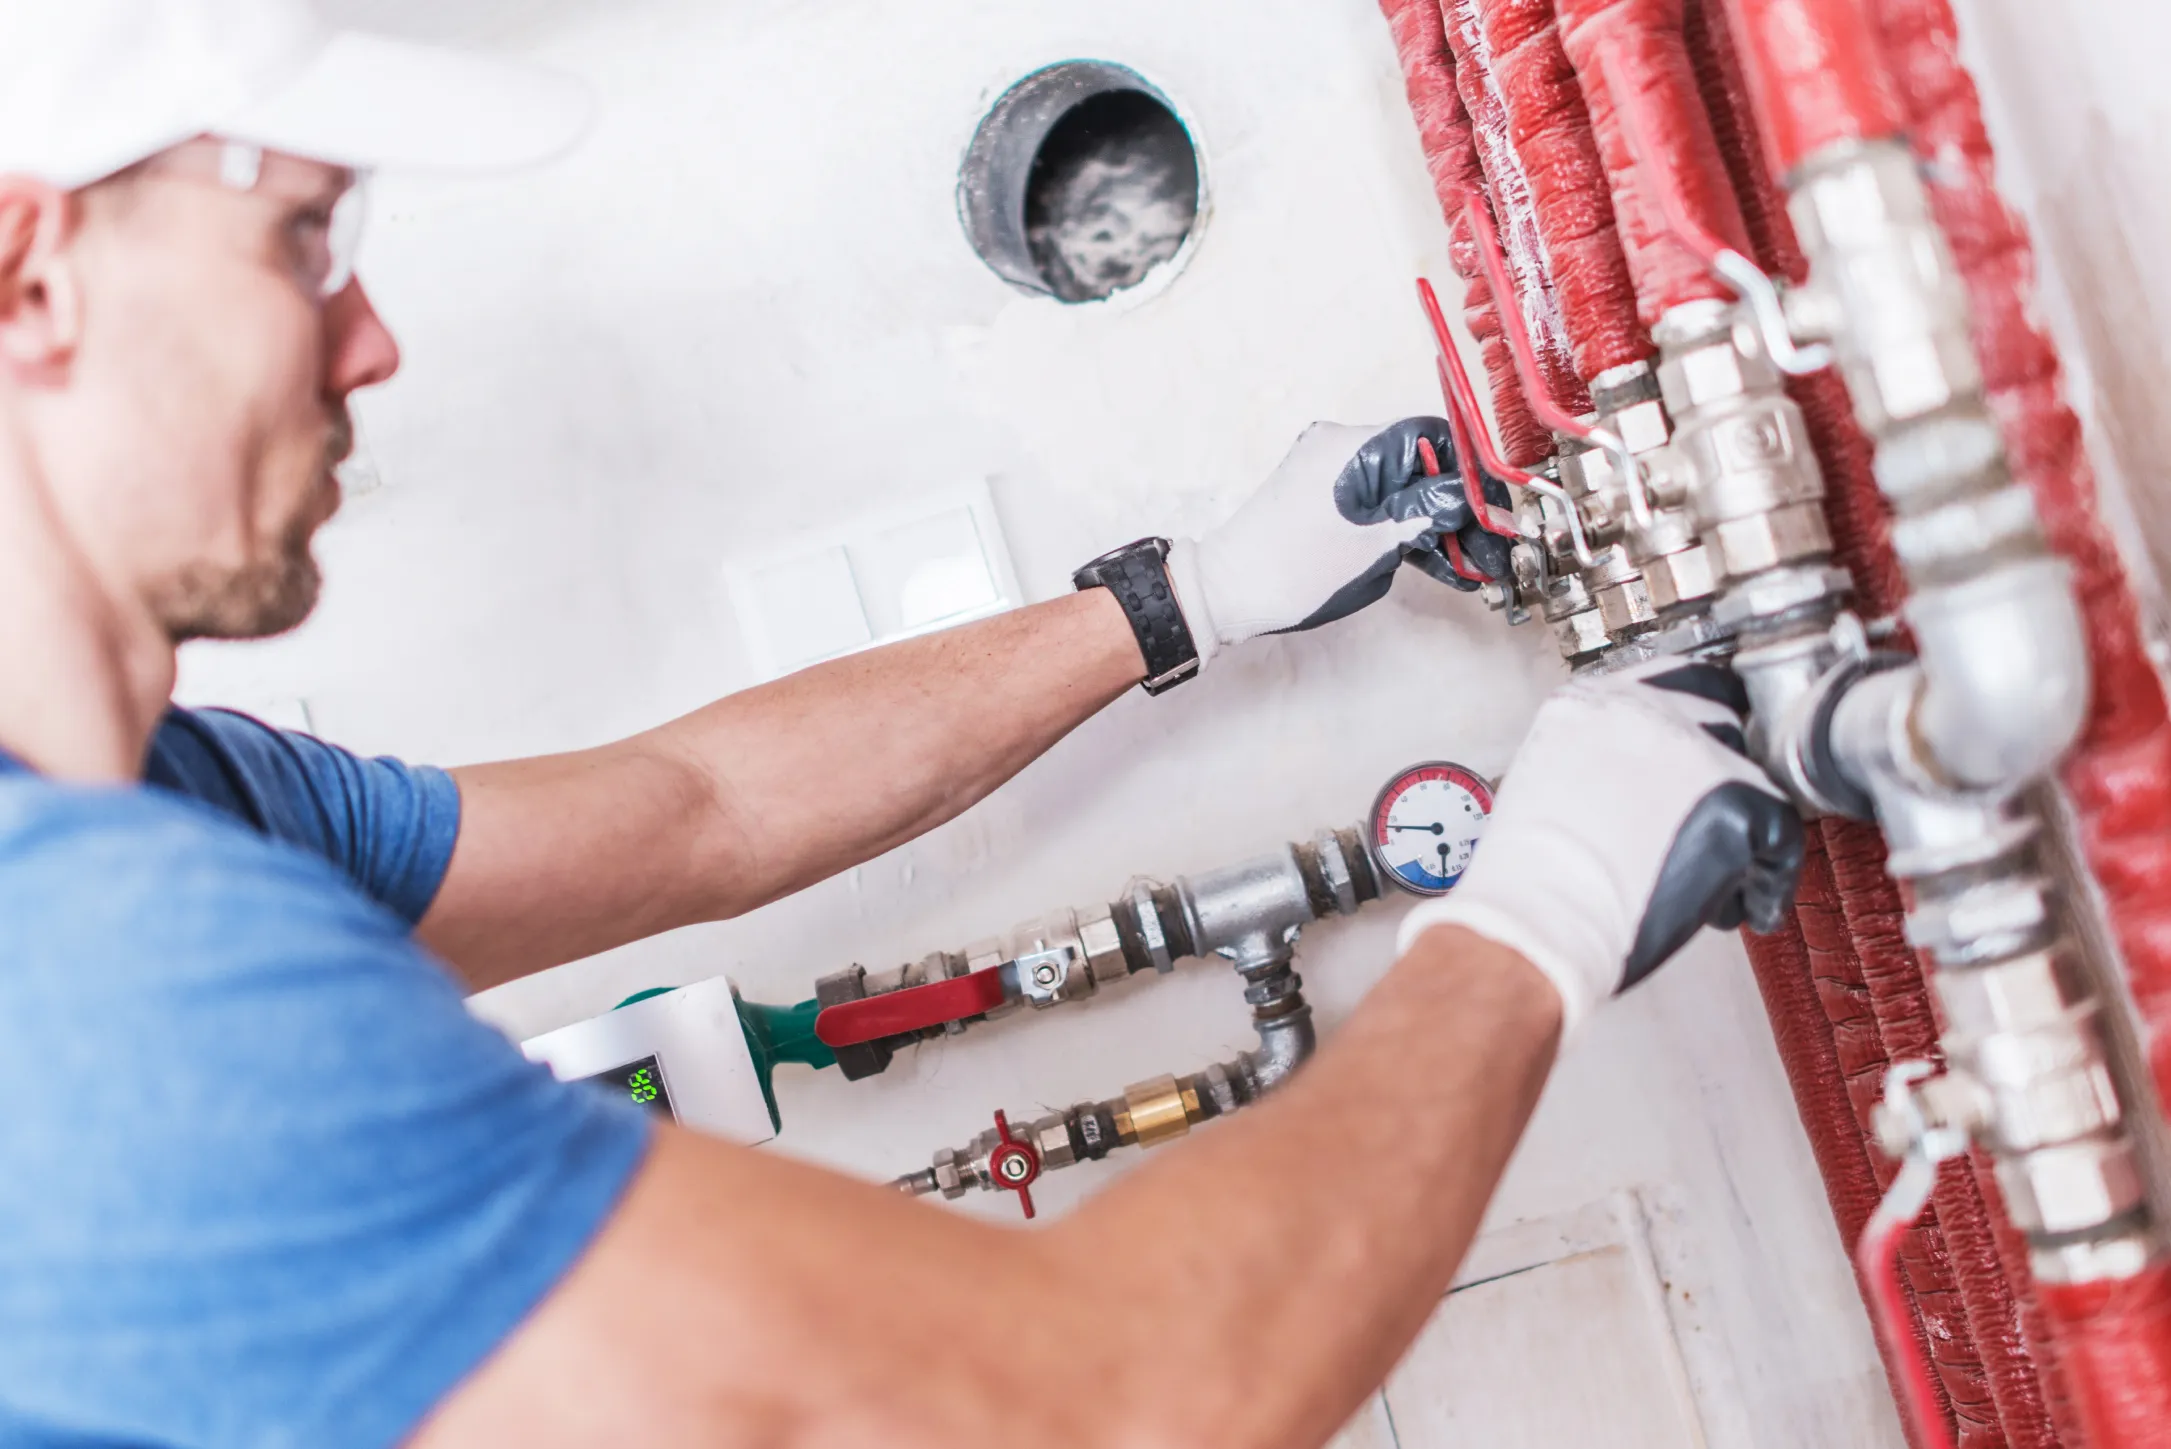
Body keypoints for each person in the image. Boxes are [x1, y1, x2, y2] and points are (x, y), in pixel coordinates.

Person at [0, 2, 1806, 1445]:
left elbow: (692, 811)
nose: (371, 340)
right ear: (31, 274)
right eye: (302, 238)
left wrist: (1183, 597)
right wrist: (1538, 913)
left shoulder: (174, 801)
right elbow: (1103, 1396)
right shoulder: (79, 977)